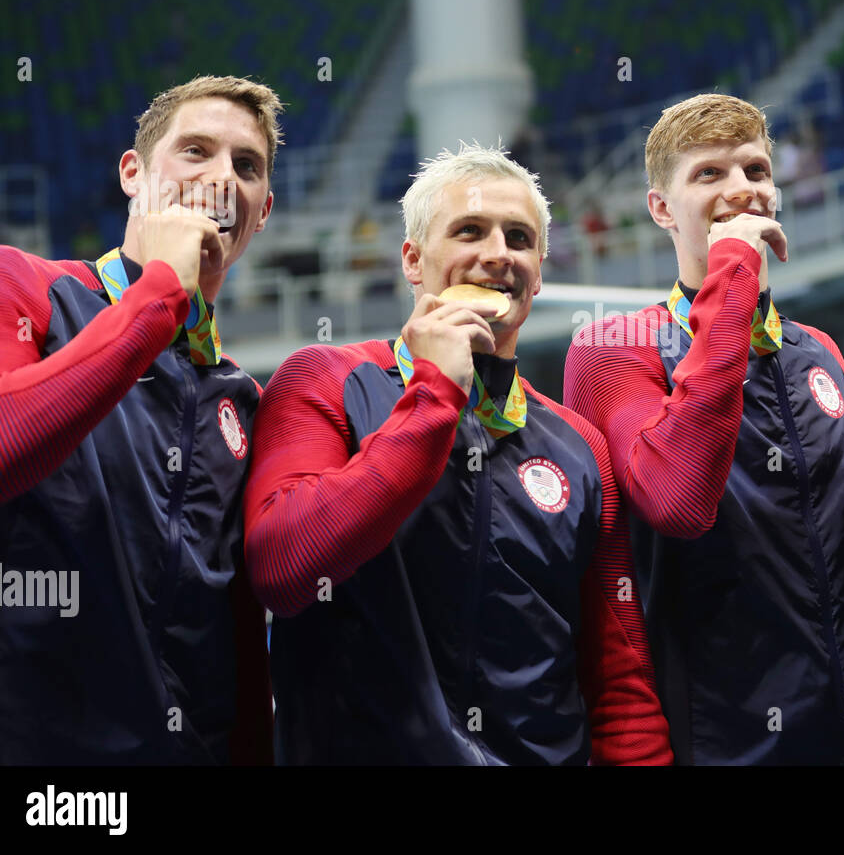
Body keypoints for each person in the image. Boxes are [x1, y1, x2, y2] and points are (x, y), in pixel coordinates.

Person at [244, 144, 671, 765]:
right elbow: (284, 569)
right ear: (413, 261)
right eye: (470, 231)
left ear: (540, 273)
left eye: (519, 238)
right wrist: (435, 395)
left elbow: (618, 678)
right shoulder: (325, 379)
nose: (498, 254)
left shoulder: (580, 445)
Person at [563, 93, 844, 765]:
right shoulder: (614, 348)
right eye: (708, 175)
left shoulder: (818, 351)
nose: (742, 190)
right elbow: (676, 502)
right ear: (660, 209)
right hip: (718, 746)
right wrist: (732, 276)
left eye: (756, 171)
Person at [0, 74, 280, 763]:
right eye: (195, 151)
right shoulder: (18, 286)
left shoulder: (242, 398)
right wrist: (157, 298)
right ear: (133, 174)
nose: (221, 177)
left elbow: (239, 638)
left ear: (262, 214)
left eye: (247, 166)